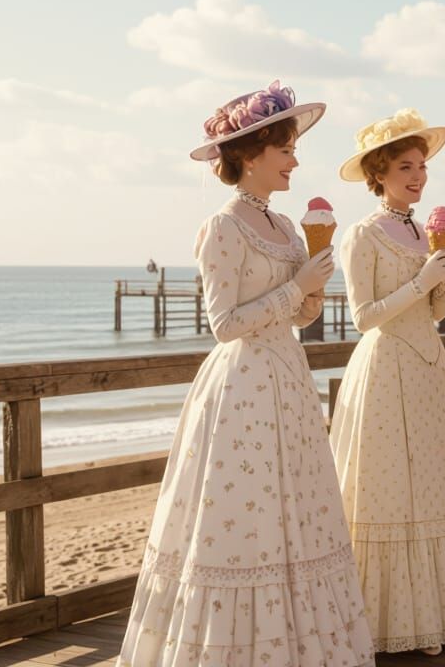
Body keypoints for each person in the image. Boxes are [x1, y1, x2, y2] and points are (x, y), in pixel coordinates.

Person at [119, 81, 374, 666]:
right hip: (242, 391)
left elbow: (299, 314)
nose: (295, 159)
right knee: (246, 521)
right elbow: (224, 324)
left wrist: (311, 294)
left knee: (297, 516)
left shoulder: (286, 227)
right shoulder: (223, 227)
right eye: (285, 148)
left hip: (287, 379)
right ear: (251, 155)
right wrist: (296, 289)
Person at [328, 110, 445, 655]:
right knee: (384, 489)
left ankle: (429, 618)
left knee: (432, 486)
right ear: (380, 173)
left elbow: (433, 312)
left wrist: (444, 278)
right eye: (406, 166)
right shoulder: (362, 234)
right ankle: (380, 622)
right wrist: (421, 281)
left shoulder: (420, 229)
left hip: (426, 367)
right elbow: (364, 316)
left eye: (421, 166)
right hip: (385, 367)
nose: (418, 176)